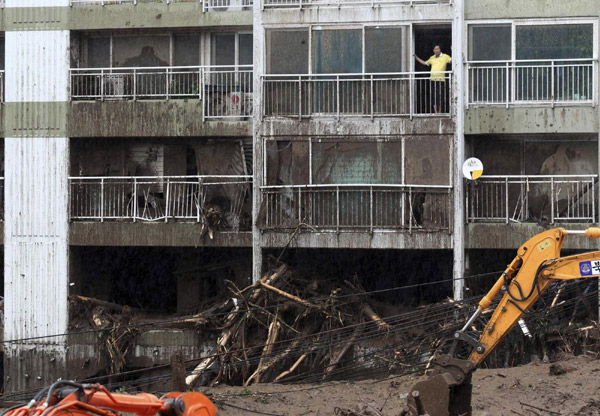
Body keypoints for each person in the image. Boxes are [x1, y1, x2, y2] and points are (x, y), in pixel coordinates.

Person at [414, 45, 452, 113]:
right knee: (433, 96)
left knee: (440, 96)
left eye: (437, 49)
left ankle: (439, 111)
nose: (436, 50)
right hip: (432, 79)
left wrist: (453, 50)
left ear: (440, 50)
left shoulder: (445, 56)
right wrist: (416, 58)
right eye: (435, 49)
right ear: (433, 50)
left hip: (441, 80)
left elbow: (452, 60)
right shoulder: (432, 58)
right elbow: (425, 63)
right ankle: (435, 111)